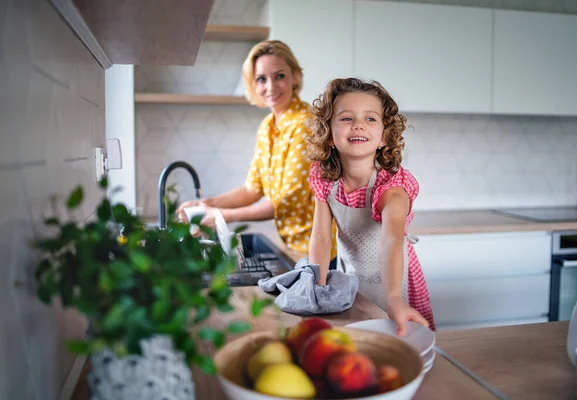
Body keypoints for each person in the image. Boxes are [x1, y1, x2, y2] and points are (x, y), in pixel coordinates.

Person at [176, 40, 336, 263]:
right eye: (262, 79)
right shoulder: (268, 126)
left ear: (295, 77)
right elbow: (253, 189)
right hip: (294, 245)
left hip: (321, 248)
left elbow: (283, 203)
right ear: (253, 84)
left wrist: (219, 216)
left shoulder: (306, 125)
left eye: (279, 76)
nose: (270, 87)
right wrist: (208, 205)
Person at [305, 77, 435, 334]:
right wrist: (317, 290)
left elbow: (391, 240)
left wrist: (394, 299)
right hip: (353, 284)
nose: (358, 126)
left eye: (370, 119)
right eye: (346, 118)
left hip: (396, 286)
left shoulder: (392, 187)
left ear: (385, 137)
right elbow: (321, 236)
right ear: (329, 135)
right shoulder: (325, 180)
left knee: (398, 345)